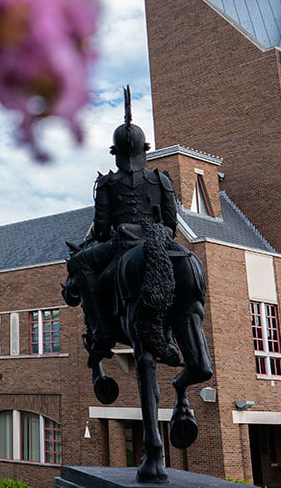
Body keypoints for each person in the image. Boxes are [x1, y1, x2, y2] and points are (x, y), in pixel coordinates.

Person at [62, 87, 184, 363]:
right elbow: (171, 224)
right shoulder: (162, 180)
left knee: (78, 264)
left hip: (122, 244)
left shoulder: (107, 183)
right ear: (145, 150)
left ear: (115, 152)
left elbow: (102, 228)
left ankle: (102, 331)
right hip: (158, 240)